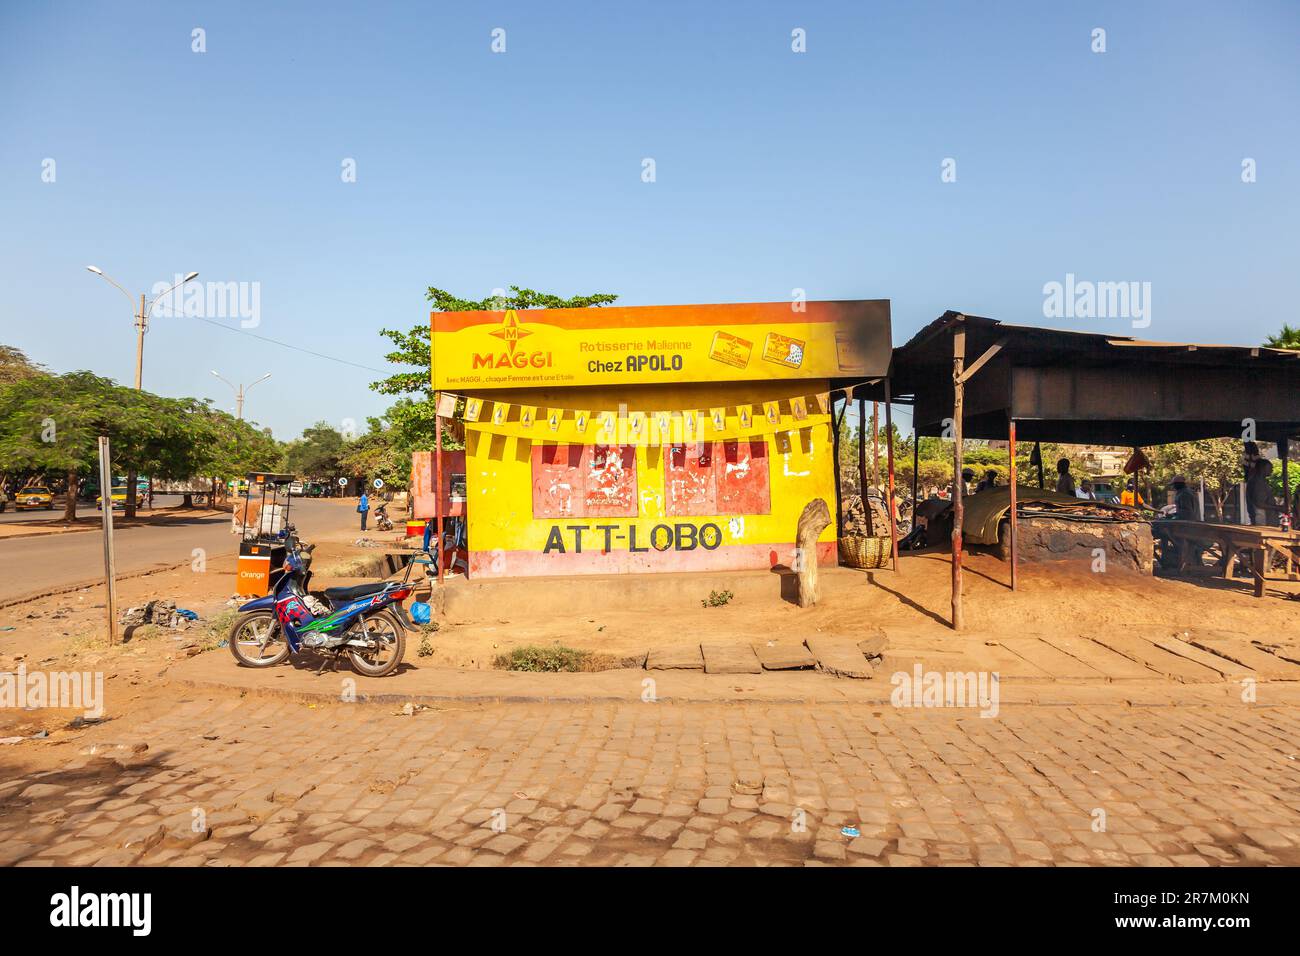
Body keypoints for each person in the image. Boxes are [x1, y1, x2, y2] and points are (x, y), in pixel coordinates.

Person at [1243, 441, 1275, 525]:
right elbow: (1259, 503)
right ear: (1263, 468)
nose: (1272, 471)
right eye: (1270, 468)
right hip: (1262, 521)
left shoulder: (1260, 481)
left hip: (1265, 520)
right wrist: (1279, 508)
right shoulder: (1257, 483)